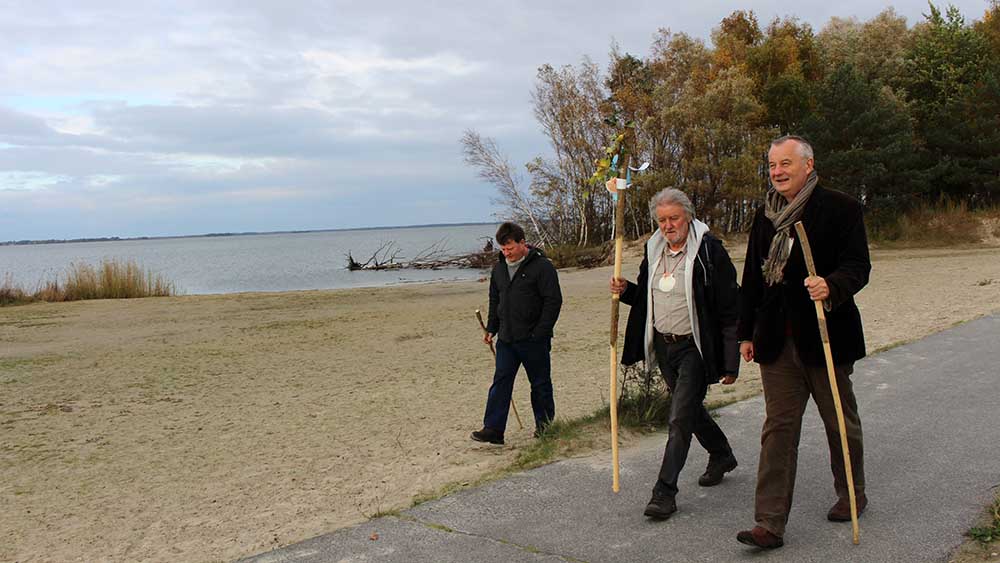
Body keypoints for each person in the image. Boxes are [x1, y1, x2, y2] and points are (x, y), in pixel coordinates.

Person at [736, 135, 871, 549]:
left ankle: (852, 494)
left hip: (826, 336)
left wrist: (831, 285)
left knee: (839, 423)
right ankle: (769, 523)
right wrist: (745, 332)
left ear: (808, 165)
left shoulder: (841, 208)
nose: (777, 172)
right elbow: (753, 277)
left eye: (785, 164)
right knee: (777, 430)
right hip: (776, 342)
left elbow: (858, 266)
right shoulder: (766, 215)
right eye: (772, 165)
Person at [611, 188, 741, 520]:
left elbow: (730, 306)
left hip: (695, 347)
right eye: (662, 220)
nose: (668, 225)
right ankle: (722, 454)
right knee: (689, 410)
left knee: (679, 417)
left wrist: (730, 361)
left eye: (674, 218)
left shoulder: (709, 251)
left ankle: (664, 493)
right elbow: (648, 299)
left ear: (689, 217)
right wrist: (627, 292)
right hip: (663, 345)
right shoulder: (654, 251)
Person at [472, 222, 562, 445]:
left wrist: (540, 332)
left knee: (540, 384)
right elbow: (495, 300)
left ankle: (544, 427)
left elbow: (553, 301)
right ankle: (493, 429)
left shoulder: (542, 267)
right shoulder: (499, 269)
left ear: (523, 243)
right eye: (503, 249)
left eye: (510, 248)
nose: (507, 253)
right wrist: (491, 329)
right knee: (501, 381)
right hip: (507, 338)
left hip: (534, 339)